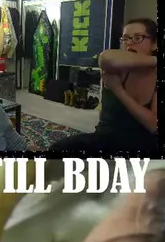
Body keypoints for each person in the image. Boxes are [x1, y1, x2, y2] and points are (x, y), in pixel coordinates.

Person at [50, 18, 159, 155]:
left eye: (138, 38)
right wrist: (156, 60)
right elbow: (105, 58)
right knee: (57, 150)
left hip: (142, 145)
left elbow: (154, 125)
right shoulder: (117, 68)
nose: (129, 43)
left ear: (154, 44)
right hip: (106, 139)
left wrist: (118, 90)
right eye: (125, 39)